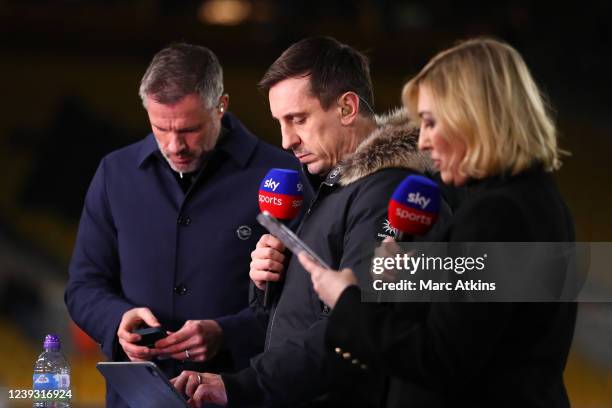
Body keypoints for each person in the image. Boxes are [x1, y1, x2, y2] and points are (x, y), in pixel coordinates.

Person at [171, 36, 450, 407]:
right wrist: (269, 284)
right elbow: (303, 316)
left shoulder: (389, 194)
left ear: (347, 107)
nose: (286, 140)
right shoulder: (329, 187)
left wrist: (244, 386)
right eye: (280, 122)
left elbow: (355, 327)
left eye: (297, 119)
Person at [299, 38, 577, 407]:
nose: (424, 143)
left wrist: (347, 301)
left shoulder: (497, 215)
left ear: (474, 118)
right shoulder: (533, 198)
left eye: (431, 122)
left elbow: (440, 356)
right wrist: (416, 273)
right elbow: (486, 319)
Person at [64, 43, 302, 407]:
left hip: (240, 393)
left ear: (220, 106)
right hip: (135, 399)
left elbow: (304, 303)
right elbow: (83, 285)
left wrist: (227, 333)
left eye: (190, 129)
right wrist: (117, 320)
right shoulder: (115, 172)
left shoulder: (281, 175)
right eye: (161, 128)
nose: (175, 145)